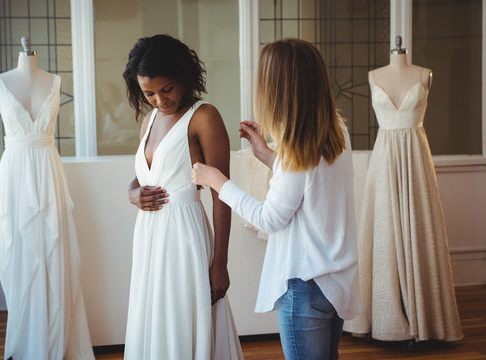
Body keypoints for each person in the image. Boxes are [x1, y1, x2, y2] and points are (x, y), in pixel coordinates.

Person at [191, 38, 361, 360]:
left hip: (305, 286)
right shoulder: (336, 130)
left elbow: (270, 218)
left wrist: (218, 180)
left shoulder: (296, 148)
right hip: (335, 281)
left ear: (276, 89)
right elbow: (310, 186)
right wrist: (270, 157)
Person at [122, 34, 243, 360]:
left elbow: (222, 194)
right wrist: (133, 194)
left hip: (184, 238)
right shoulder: (150, 119)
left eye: (167, 89)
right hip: (149, 238)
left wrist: (220, 262)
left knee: (184, 318)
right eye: (149, 93)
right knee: (155, 321)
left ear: (183, 77)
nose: (160, 100)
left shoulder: (204, 116)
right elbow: (144, 176)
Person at [343, 38, 463, 344]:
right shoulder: (374, 76)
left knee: (418, 229)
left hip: (415, 157)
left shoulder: (425, 74)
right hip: (383, 158)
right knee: (383, 232)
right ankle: (381, 316)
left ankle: (425, 318)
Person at [0, 37, 94, 359]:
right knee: (17, 251)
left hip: (48, 170)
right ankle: (27, 340)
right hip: (16, 174)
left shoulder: (54, 81)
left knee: (54, 255)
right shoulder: (1, 82)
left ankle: (55, 339)